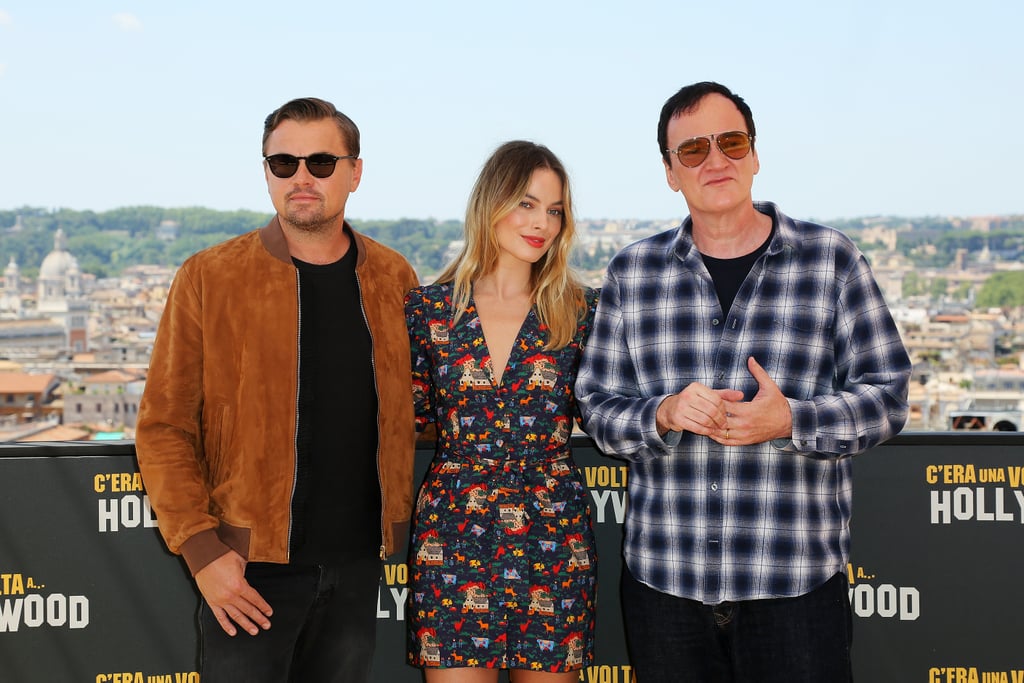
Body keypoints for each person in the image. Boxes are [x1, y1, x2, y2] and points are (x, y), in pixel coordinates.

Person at [575, 81, 912, 682]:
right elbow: (596, 406)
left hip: (795, 587)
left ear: (755, 154)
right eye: (693, 150)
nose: (716, 161)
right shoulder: (633, 271)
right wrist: (664, 414)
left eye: (730, 142)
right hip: (665, 586)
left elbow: (888, 395)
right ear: (670, 173)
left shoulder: (831, 260)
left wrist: (794, 421)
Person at [135, 97, 419, 683]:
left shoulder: (395, 278)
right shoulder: (209, 276)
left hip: (359, 564)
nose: (302, 178)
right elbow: (164, 428)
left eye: (321, 161)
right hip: (246, 568)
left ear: (355, 172)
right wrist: (204, 553)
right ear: (266, 171)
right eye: (283, 163)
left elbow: (417, 410)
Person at [405, 140, 598, 681]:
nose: (542, 222)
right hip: (454, 536)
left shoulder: (583, 313)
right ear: (492, 202)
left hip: (554, 535)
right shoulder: (426, 312)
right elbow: (398, 419)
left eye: (555, 210)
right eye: (527, 203)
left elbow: (610, 409)